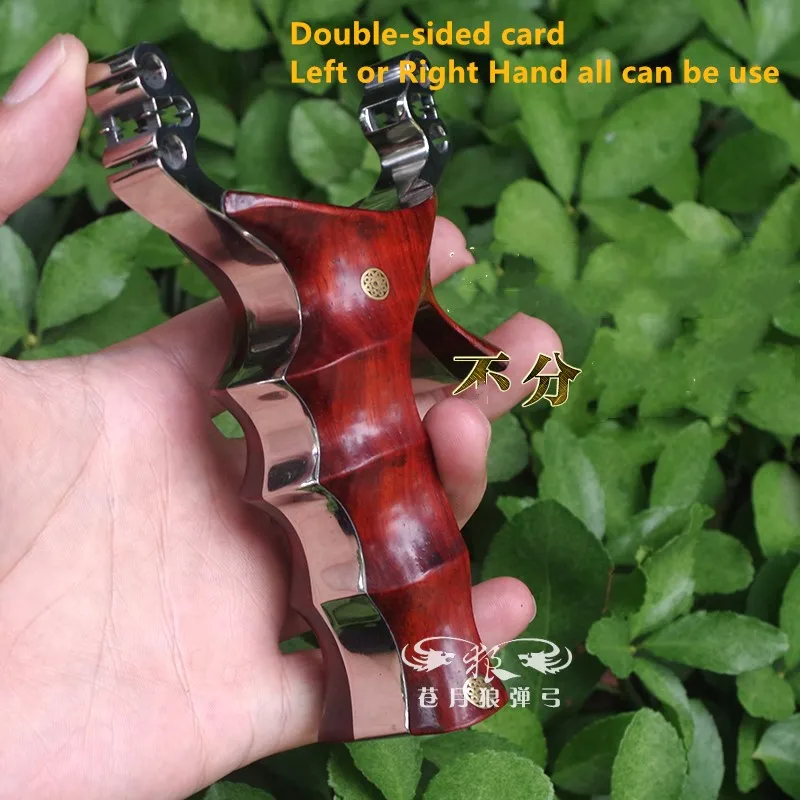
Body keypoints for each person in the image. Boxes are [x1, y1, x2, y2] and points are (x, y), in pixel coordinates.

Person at [0, 35, 561, 800]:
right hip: (378, 493)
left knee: (413, 570)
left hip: (397, 512)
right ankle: (425, 686)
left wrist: (154, 151)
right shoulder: (390, 231)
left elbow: (448, 340)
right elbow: (449, 340)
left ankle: (429, 686)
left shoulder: (394, 234)